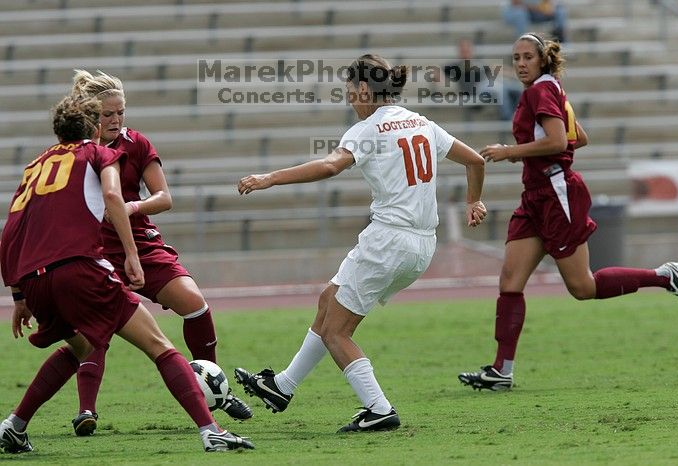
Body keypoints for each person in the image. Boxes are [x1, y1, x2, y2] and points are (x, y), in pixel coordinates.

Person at [233, 54, 487, 432]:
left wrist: (270, 178)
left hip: (388, 241)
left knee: (337, 331)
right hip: (422, 244)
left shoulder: (368, 128)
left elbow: (330, 165)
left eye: (351, 91)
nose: (350, 99)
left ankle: (379, 408)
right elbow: (475, 161)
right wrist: (473, 200)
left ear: (365, 90)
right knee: (328, 299)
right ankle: (281, 386)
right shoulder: (422, 122)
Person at [0, 95, 253, 453]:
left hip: (35, 278)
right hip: (80, 269)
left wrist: (19, 295)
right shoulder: (100, 154)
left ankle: (14, 425)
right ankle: (212, 431)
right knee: (159, 345)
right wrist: (132, 254)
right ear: (94, 126)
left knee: (81, 346)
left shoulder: (34, 166)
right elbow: (113, 197)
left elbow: (10, 231)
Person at [458, 33, 678, 392]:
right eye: (516, 58)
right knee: (510, 282)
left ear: (542, 60)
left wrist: (510, 152)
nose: (521, 63)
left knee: (583, 287)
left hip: (556, 194)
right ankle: (501, 371)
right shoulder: (548, 88)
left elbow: (558, 142)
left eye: (527, 57)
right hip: (535, 196)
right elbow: (578, 137)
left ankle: (665, 276)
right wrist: (536, 151)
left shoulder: (541, 91)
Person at [67, 70, 251, 436]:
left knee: (194, 302)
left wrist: (131, 208)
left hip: (141, 243)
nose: (116, 120)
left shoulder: (137, 144)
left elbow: (164, 197)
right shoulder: (77, 151)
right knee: (94, 330)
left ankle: (213, 386)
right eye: (107, 114)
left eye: (121, 112)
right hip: (95, 250)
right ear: (90, 115)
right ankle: (86, 410)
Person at [443, 38, 521, 121]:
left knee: (516, 88)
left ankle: (519, 116)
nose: (466, 51)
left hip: (489, 84)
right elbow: (441, 72)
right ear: (459, 51)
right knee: (499, 89)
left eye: (468, 49)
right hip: (477, 90)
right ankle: (508, 119)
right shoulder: (455, 66)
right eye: (463, 49)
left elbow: (492, 69)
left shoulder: (477, 63)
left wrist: (512, 73)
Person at [503, 1, 568, 42]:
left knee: (560, 11)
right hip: (522, 12)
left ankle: (561, 39)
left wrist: (549, 8)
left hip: (538, 13)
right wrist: (536, 8)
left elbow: (548, 4)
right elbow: (516, 2)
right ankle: (522, 43)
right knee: (520, 14)